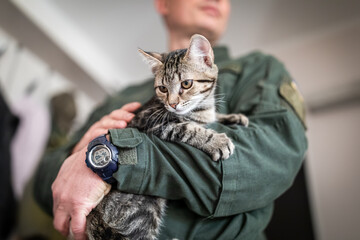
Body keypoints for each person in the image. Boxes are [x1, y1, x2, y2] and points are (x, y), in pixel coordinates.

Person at [34, 0, 308, 239]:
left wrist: (110, 157)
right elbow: (44, 180)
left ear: (206, 59)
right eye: (164, 89)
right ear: (163, 3)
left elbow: (266, 162)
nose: (173, 101)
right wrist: (78, 152)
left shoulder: (259, 68)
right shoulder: (120, 97)